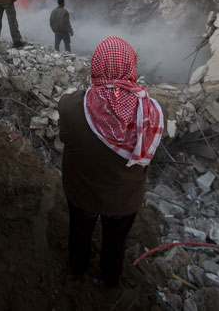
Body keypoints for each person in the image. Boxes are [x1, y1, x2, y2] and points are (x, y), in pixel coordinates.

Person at [58, 36, 164, 286]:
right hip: (125, 200)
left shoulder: (71, 107)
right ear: (131, 67)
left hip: (82, 193)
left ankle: (77, 271)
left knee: (80, 232)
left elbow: (65, 138)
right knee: (116, 240)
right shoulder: (153, 113)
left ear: (96, 65)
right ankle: (110, 278)